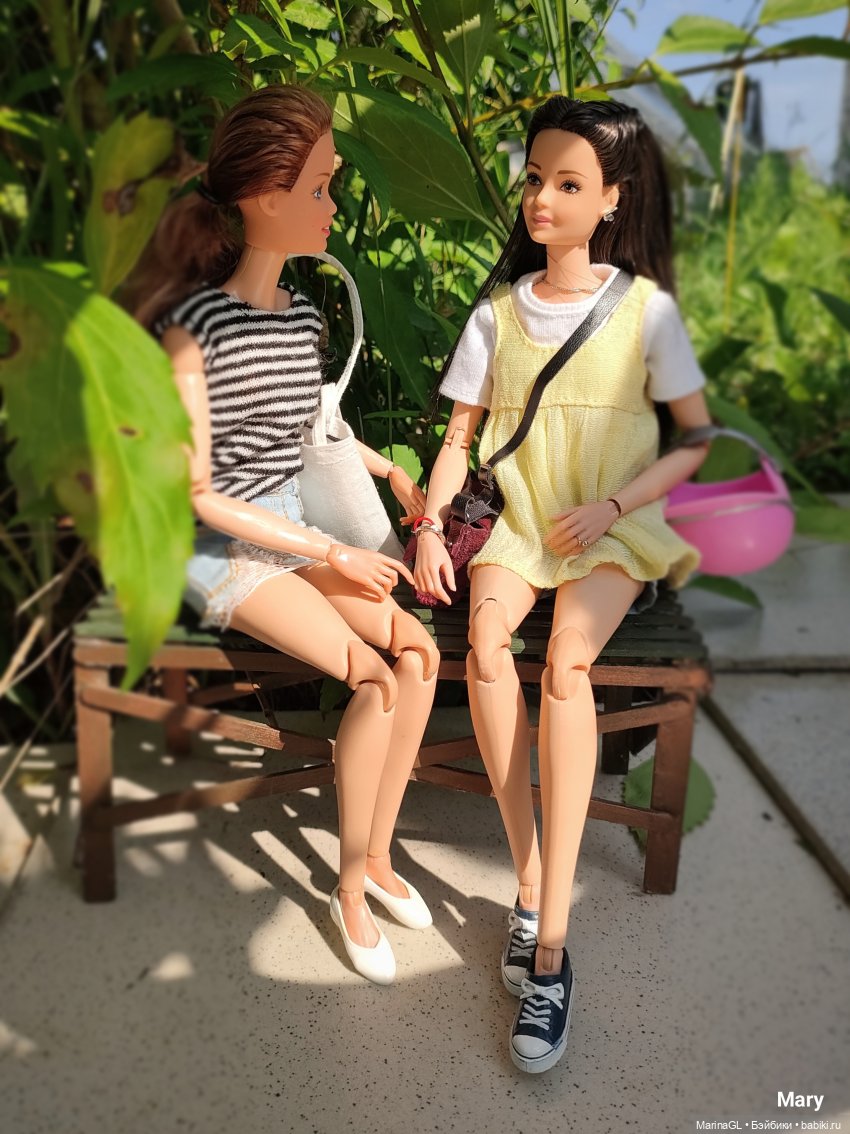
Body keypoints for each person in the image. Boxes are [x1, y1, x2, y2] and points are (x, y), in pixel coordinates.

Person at [413, 96, 711, 1070]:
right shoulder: (497, 314)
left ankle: (550, 949)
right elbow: (457, 441)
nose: (542, 197)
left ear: (613, 200)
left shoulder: (645, 312)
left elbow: (694, 440)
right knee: (486, 647)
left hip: (608, 526)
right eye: (535, 178)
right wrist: (430, 525)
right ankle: (534, 878)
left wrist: (616, 507)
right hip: (519, 518)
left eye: (568, 183)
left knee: (568, 665)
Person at [130, 85, 439, 986]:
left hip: (294, 529)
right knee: (373, 674)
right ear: (266, 197)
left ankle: (376, 856)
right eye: (319, 188)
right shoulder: (194, 330)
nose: (332, 205)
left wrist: (390, 472)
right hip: (223, 548)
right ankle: (348, 890)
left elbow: (318, 428)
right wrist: (331, 552)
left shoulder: (302, 316)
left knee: (419, 654)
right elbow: (198, 494)